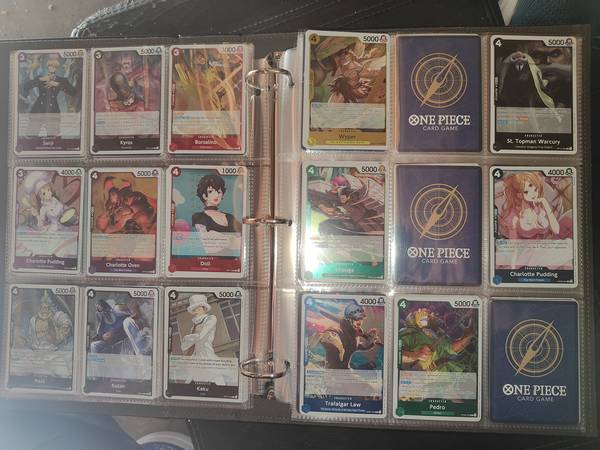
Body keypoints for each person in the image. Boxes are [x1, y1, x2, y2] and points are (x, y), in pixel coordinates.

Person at [399, 307, 475, 372]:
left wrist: (469, 334)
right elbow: (397, 353)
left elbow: (452, 349)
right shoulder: (409, 332)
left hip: (453, 372)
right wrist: (415, 355)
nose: (432, 314)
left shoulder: (431, 333)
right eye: (429, 314)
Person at [316, 301, 381, 369]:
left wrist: (370, 341)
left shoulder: (354, 336)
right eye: (357, 319)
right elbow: (330, 336)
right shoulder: (338, 331)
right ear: (349, 319)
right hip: (332, 371)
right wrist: (332, 339)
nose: (360, 322)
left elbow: (357, 346)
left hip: (346, 370)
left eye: (361, 319)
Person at [498, 172, 561, 240]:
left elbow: (556, 230)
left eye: (535, 190)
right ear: (519, 194)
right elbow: (513, 241)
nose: (533, 194)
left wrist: (545, 203)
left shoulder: (539, 209)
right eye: (527, 192)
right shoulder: (513, 213)